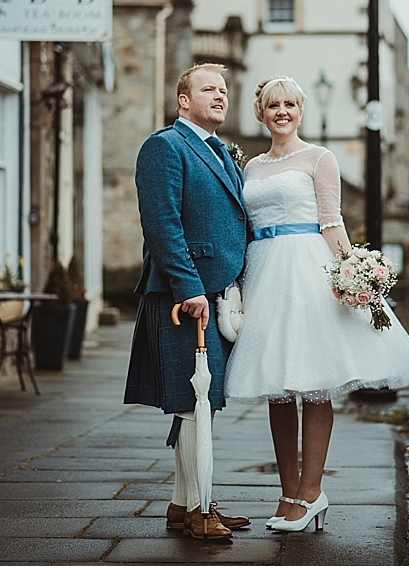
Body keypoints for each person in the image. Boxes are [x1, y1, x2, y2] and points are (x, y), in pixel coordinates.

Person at [224, 77, 409, 531]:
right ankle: (287, 490)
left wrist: (354, 273)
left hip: (308, 270)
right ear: (260, 112)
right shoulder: (249, 169)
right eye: (273, 104)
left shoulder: (319, 158)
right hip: (264, 273)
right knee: (277, 386)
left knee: (314, 381)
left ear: (300, 110)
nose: (282, 111)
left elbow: (332, 223)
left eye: (290, 104)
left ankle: (311, 492)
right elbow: (243, 229)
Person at [123, 63, 252, 539]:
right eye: (207, 90)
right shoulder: (165, 147)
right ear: (183, 100)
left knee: (201, 401)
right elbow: (162, 225)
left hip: (216, 294)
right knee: (194, 400)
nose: (219, 96)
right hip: (185, 297)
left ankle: (184, 503)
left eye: (223, 90)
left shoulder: (221, 152)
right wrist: (189, 286)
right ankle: (201, 511)